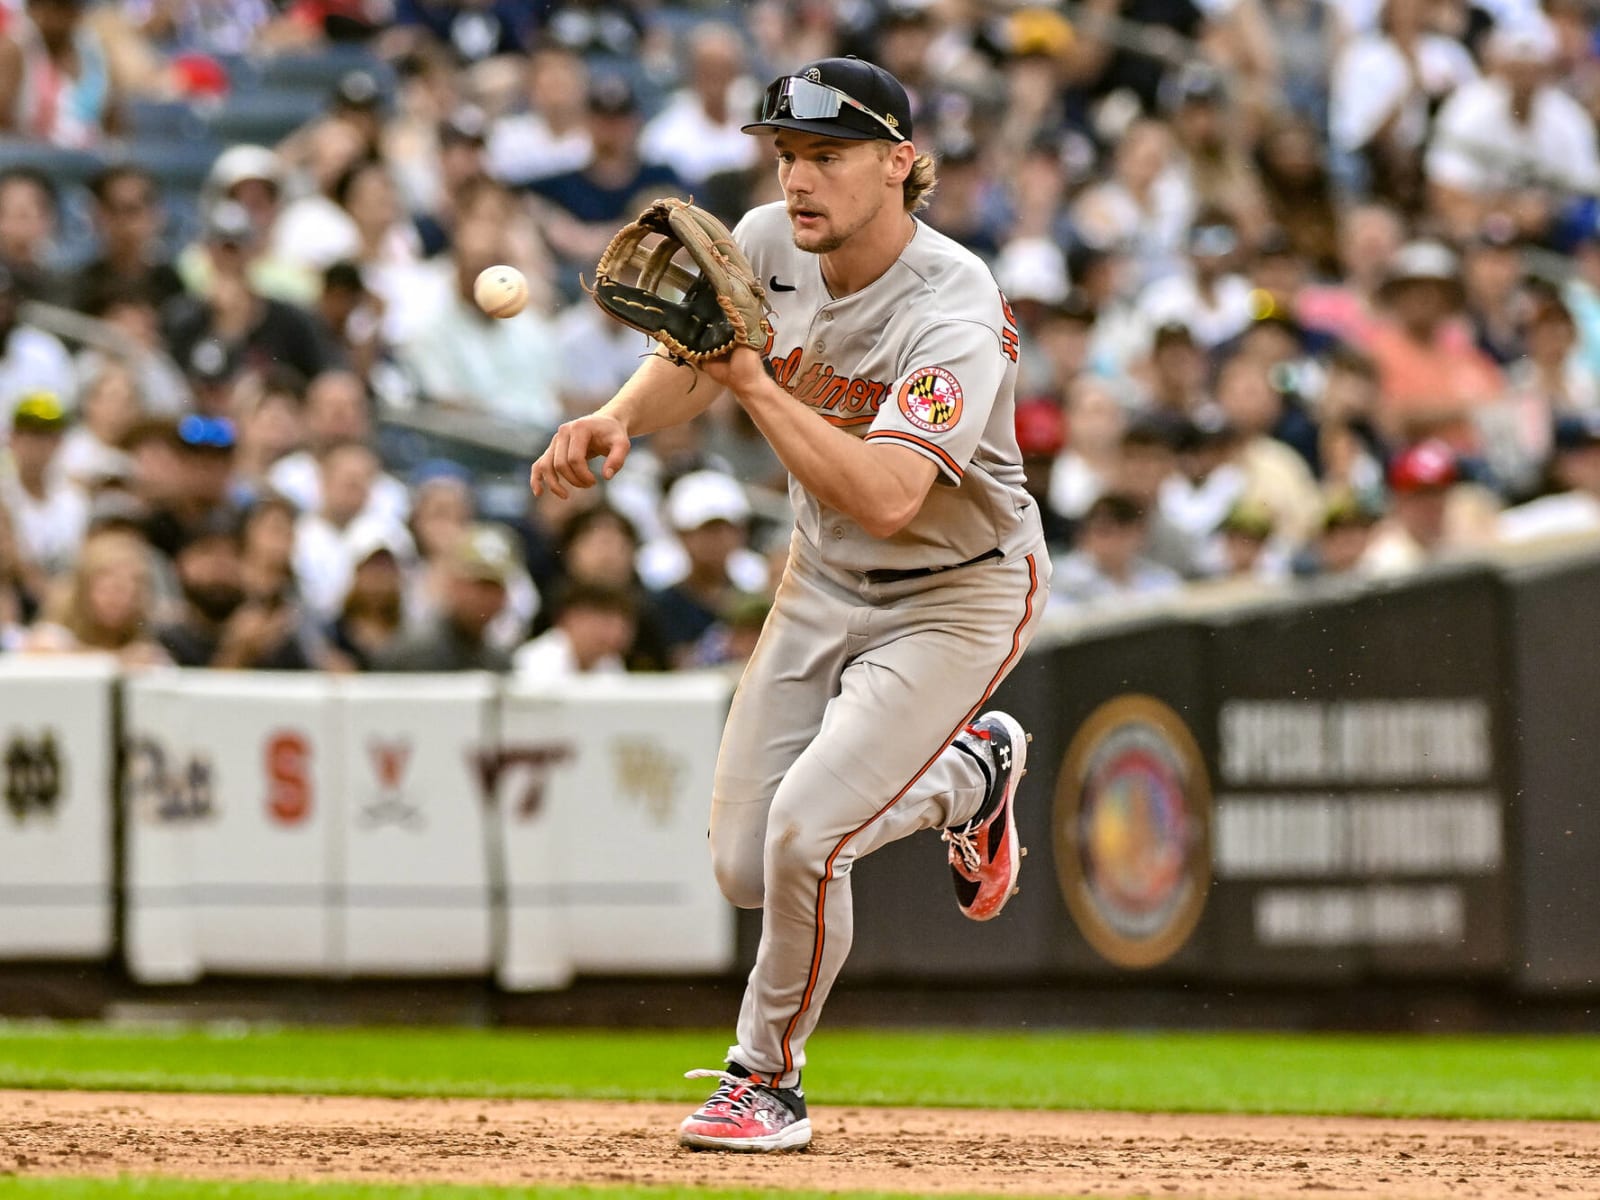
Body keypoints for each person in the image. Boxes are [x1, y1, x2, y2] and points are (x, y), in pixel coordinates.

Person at [529, 57, 1050, 1153]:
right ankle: (970, 776)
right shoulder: (767, 242)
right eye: (786, 154)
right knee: (743, 865)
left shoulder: (954, 304)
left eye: (826, 155)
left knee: (808, 838)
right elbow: (695, 354)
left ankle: (763, 1080)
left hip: (954, 591)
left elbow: (892, 496)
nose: (797, 178)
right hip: (822, 579)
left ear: (901, 165)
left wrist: (755, 383)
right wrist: (622, 413)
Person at [375, 522, 517, 672]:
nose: (487, 598)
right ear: (453, 584)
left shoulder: (498, 658)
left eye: (496, 587)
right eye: (480, 585)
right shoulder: (417, 649)